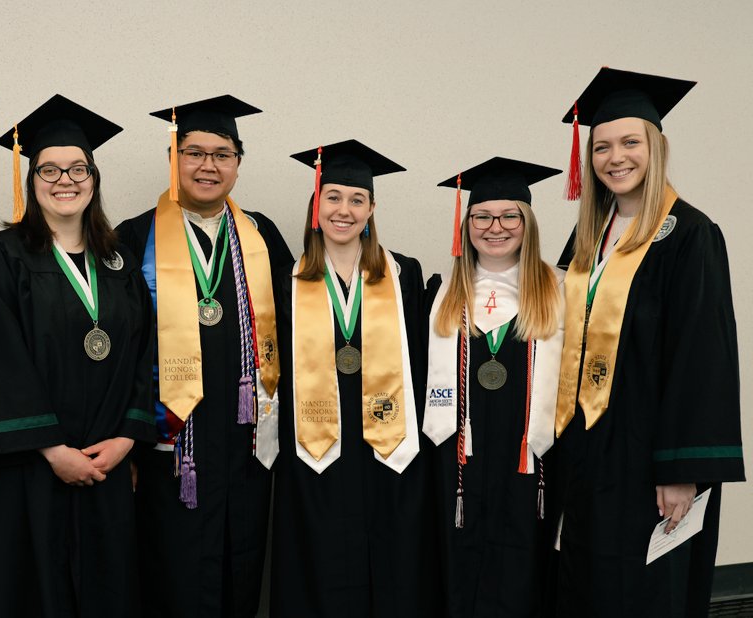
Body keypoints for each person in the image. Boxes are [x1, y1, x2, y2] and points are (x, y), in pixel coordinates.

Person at [553, 67, 745, 616]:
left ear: (657, 146)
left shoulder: (689, 234)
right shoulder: (589, 236)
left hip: (648, 454)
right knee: (586, 580)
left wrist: (680, 470)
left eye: (630, 142)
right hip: (586, 446)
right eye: (602, 147)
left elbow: (701, 358)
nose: (616, 157)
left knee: (641, 592)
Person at [0, 95, 155, 617]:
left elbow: (144, 353)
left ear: (93, 177)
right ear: (31, 179)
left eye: (77, 169)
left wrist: (127, 438)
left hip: (105, 466)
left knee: (107, 589)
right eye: (49, 169)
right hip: (28, 471)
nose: (65, 180)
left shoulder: (119, 264)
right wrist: (51, 450)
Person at [115, 95, 293, 618]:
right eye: (194, 152)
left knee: (240, 567)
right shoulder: (134, 236)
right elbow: (120, 349)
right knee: (170, 567)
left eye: (222, 154)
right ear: (173, 158)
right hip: (168, 446)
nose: (207, 166)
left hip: (246, 443)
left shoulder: (261, 235)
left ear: (239, 161)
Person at [270, 140, 440, 617]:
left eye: (356, 199)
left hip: (389, 453)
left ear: (371, 209)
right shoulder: (286, 279)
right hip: (314, 452)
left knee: (391, 562)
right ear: (315, 205)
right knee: (318, 562)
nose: (343, 210)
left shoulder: (404, 274)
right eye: (333, 197)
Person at [425, 157, 564, 617]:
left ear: (528, 223)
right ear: (466, 225)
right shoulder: (439, 293)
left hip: (531, 460)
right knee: (458, 562)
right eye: (482, 215)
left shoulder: (560, 293)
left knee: (523, 561)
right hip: (459, 462)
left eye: (510, 216)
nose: (495, 227)